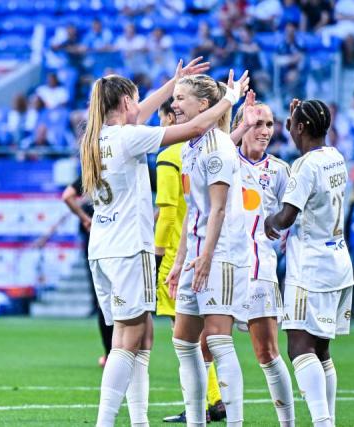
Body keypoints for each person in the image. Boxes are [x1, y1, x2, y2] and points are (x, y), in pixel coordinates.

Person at [82, 57, 248, 426]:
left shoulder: (98, 137)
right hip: (129, 248)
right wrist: (229, 99)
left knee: (142, 339)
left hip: (102, 250)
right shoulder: (129, 137)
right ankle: (105, 422)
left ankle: (138, 421)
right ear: (125, 104)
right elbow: (195, 127)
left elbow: (139, 112)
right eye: (136, 100)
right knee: (125, 341)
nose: (143, 106)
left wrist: (173, 83)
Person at [165, 73, 252, 427]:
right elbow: (194, 212)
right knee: (184, 342)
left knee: (217, 338)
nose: (174, 105)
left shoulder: (217, 146)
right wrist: (181, 262)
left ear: (204, 105)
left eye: (181, 98)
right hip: (197, 255)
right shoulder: (190, 147)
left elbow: (218, 209)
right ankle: (196, 420)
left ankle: (235, 422)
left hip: (221, 256)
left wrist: (205, 259)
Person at [264, 99, 354, 427]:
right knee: (321, 349)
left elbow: (286, 217)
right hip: (339, 262)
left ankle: (321, 422)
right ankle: (326, 419)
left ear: (300, 128)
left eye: (292, 124)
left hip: (311, 269)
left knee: (299, 346)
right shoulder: (336, 158)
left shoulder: (304, 167)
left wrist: (267, 221)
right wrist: (295, 119)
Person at [155, 99, 227, 424]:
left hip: (177, 253)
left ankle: (205, 403)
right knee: (202, 335)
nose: (160, 127)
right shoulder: (199, 148)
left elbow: (170, 213)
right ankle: (213, 400)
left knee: (183, 337)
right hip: (197, 247)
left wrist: (158, 257)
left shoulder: (170, 154)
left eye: (161, 119)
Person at [229, 92, 296, 426]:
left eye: (269, 124)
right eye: (257, 123)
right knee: (206, 349)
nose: (265, 130)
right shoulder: (226, 159)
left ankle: (288, 423)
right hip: (222, 273)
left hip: (260, 272)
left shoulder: (281, 172)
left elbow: (294, 220)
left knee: (267, 354)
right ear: (243, 126)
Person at [62, 175, 113, 368]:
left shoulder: (92, 171)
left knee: (104, 302)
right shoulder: (129, 164)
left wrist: (86, 220)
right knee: (130, 302)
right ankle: (134, 354)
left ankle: (110, 355)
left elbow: (67, 196)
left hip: (98, 243)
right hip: (125, 240)